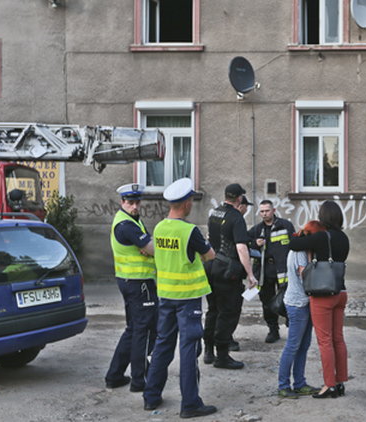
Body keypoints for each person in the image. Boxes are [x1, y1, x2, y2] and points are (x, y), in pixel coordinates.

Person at [143, 178, 217, 418]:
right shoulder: (189, 231)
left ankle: (151, 396)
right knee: (189, 349)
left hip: (166, 295)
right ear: (186, 203)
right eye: (191, 200)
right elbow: (210, 256)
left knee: (163, 344)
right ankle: (190, 404)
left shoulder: (160, 228)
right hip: (188, 298)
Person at [288, 200, 349, 399]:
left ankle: (329, 385)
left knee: (325, 341)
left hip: (323, 293)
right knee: (338, 338)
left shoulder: (322, 237)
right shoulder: (344, 238)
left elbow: (294, 243)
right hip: (340, 291)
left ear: (322, 218)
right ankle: (340, 382)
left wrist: (303, 230)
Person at [105, 183, 157, 392]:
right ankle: (139, 381)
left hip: (130, 281)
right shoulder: (127, 225)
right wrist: (150, 248)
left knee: (133, 329)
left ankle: (114, 375)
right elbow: (151, 249)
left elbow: (148, 246)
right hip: (138, 283)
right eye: (130, 202)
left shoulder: (131, 220)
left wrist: (148, 247)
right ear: (122, 202)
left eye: (137, 202)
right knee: (143, 331)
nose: (135, 206)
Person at [205, 183, 258, 369]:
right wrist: (250, 274)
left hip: (211, 267)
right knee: (228, 312)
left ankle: (208, 351)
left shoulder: (215, 213)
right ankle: (222, 356)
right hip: (228, 272)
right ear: (239, 198)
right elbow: (241, 247)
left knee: (213, 310)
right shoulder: (236, 218)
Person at [276, 220, 324, 399]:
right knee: (293, 346)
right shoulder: (298, 251)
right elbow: (306, 275)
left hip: (305, 302)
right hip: (297, 303)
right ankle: (283, 385)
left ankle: (299, 383)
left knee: (303, 346)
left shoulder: (305, 250)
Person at [249, 200, 296, 343]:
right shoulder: (257, 229)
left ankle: (292, 327)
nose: (264, 214)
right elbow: (243, 243)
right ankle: (273, 330)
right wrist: (254, 244)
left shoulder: (285, 225)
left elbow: (295, 245)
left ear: (273, 210)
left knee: (288, 300)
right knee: (267, 302)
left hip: (283, 271)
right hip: (265, 272)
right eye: (261, 211)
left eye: (267, 211)